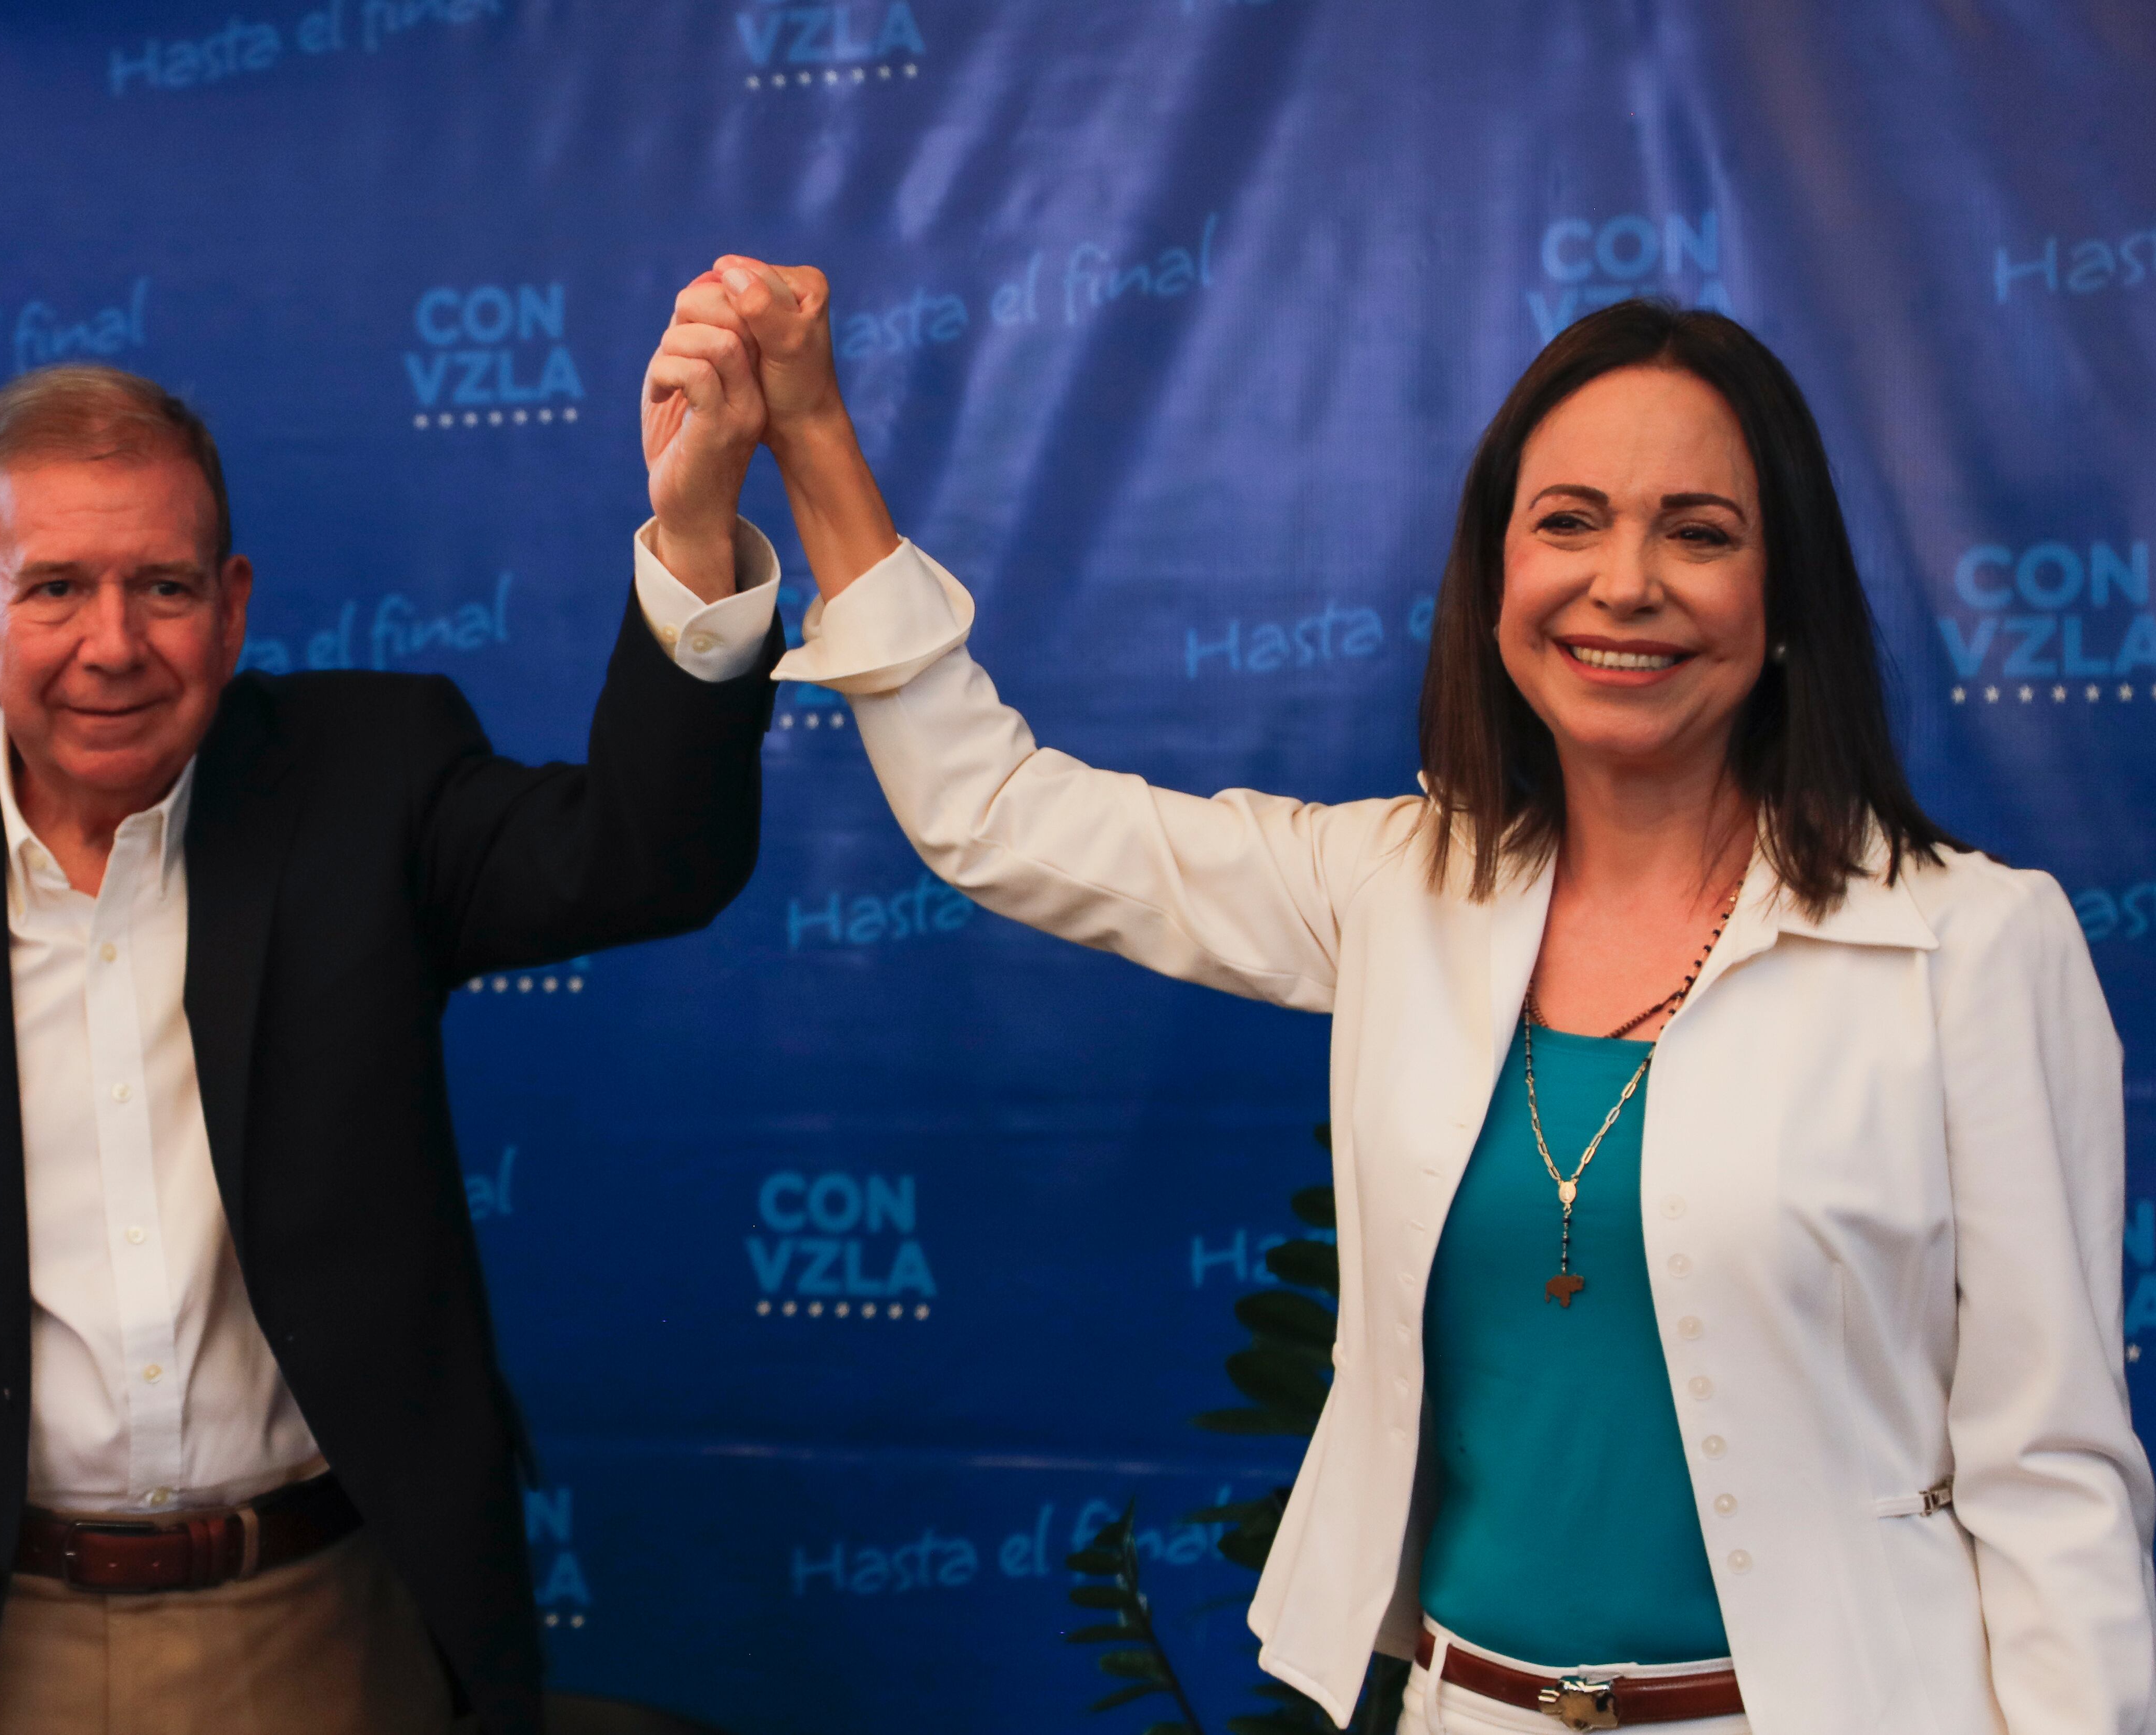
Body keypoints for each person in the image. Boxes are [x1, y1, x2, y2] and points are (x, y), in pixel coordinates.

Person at [677, 265, 2156, 1734]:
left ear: (1784, 606)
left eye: (1698, 534)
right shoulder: (1401, 891)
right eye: (1567, 522)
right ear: (1495, 581)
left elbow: (2052, 1479)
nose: (1624, 583)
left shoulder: (1971, 945)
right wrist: (810, 431)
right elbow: (993, 812)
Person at [0, 343, 787, 1735]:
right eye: (54, 587)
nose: (113, 644)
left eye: (163, 587)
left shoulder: (372, 777)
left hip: (319, 1639)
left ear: (231, 611)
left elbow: (652, 856)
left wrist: (698, 521)